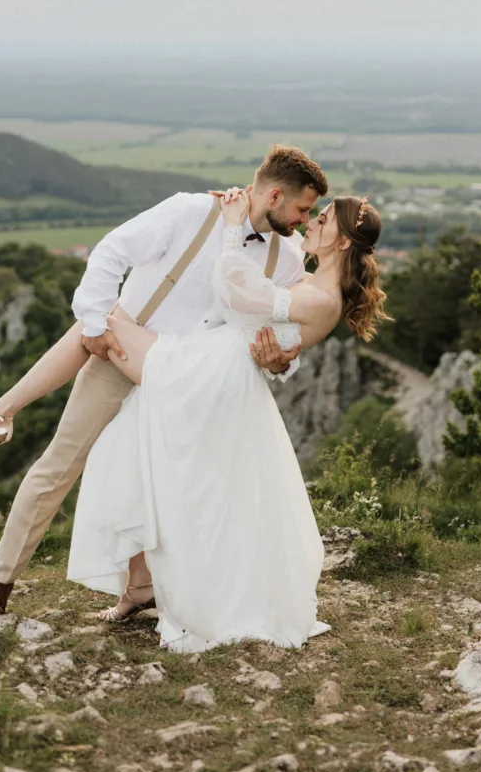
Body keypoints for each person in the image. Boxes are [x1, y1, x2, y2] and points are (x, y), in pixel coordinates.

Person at [0, 146, 329, 615]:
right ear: (276, 195)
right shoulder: (190, 211)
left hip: (192, 388)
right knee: (59, 467)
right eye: (303, 209)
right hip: (121, 360)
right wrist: (94, 323)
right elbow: (112, 251)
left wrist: (281, 363)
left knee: (168, 490)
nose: (305, 220)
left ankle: (145, 591)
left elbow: (276, 333)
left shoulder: (288, 259)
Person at [66, 189, 387, 651]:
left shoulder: (323, 298)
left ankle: (7, 407)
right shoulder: (312, 283)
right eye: (313, 214)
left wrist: (233, 225)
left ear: (341, 243)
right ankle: (142, 585)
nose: (311, 222)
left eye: (323, 220)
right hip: (215, 370)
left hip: (208, 375)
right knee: (151, 456)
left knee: (103, 323)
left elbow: (235, 293)